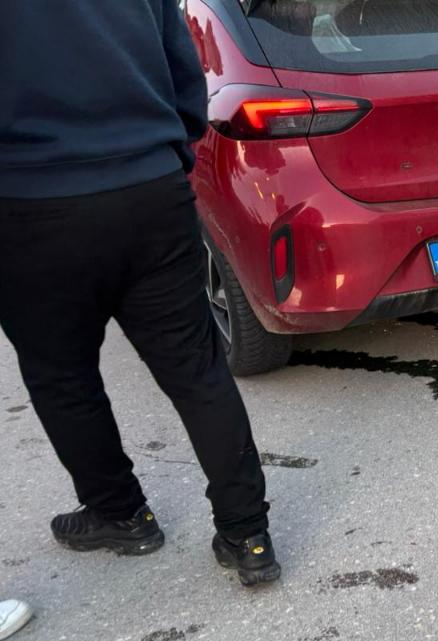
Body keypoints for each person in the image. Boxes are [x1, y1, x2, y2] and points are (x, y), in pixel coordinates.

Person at [0, 1, 280, 587]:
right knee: (196, 368)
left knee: (61, 373)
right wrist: (166, 156)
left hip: (32, 198)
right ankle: (248, 536)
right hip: (150, 190)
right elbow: (185, 75)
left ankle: (121, 514)